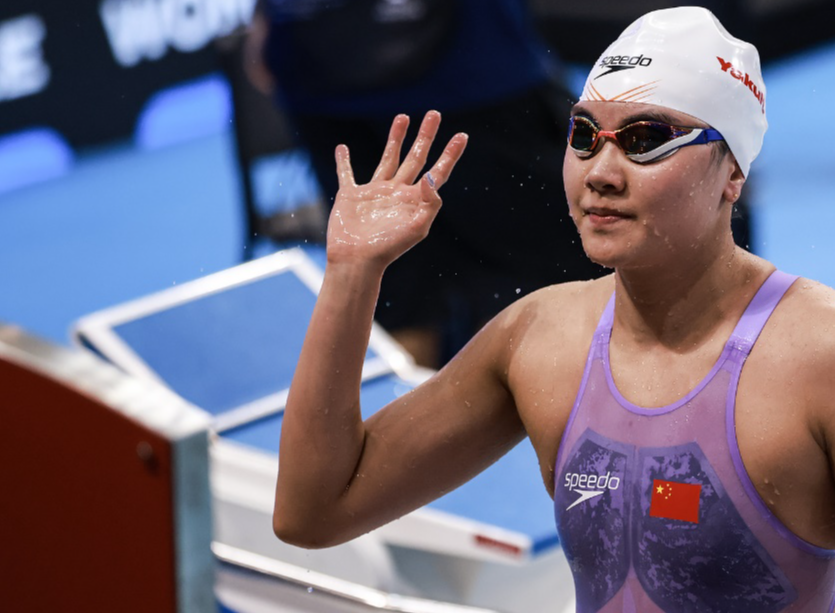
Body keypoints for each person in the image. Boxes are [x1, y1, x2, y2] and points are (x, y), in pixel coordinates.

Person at [275, 7, 835, 613]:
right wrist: (351, 275)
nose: (602, 172)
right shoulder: (541, 339)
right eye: (585, 136)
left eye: (646, 140)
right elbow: (315, 511)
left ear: (731, 170)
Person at [246, 0, 608, 366]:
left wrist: (266, 17)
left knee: (400, 292)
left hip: (321, 60)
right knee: (531, 283)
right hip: (467, 72)